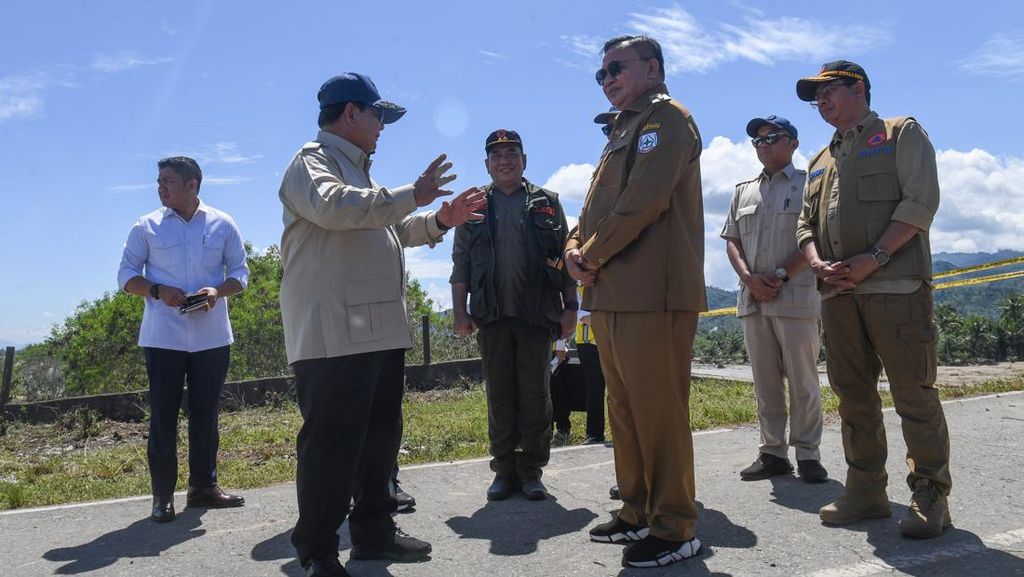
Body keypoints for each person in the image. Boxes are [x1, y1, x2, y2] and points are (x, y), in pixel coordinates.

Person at [278, 72, 486, 577]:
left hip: (376, 330)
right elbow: (336, 209)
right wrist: (413, 193)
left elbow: (390, 227)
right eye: (379, 116)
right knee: (332, 445)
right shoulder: (312, 163)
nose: (382, 127)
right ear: (351, 113)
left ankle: (373, 533)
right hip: (333, 335)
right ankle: (318, 551)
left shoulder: (361, 174)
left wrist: (440, 219)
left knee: (378, 441)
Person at [564, 35, 706, 568]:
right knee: (623, 409)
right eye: (600, 75)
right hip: (612, 292)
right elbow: (595, 205)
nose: (607, 80)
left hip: (654, 292)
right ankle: (636, 509)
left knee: (658, 411)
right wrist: (574, 245)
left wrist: (591, 254)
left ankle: (675, 527)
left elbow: (644, 200)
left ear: (652, 67)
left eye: (616, 69)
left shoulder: (667, 120)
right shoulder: (624, 127)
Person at [795, 60, 950, 538]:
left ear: (858, 88)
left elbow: (921, 203)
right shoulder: (820, 160)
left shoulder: (900, 132)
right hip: (838, 294)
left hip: (895, 287)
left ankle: (930, 494)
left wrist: (874, 257)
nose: (821, 102)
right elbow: (804, 224)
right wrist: (816, 262)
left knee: (912, 393)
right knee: (853, 396)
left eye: (828, 91)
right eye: (815, 97)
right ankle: (866, 491)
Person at [117, 156, 249, 523]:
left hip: (211, 337)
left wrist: (216, 291)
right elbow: (126, 276)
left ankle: (203, 488)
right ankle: (163, 497)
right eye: (159, 180)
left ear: (193, 185)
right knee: (163, 417)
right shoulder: (146, 226)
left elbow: (241, 273)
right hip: (164, 338)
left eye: (169, 181)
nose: (161, 187)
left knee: (206, 415)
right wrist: (157, 290)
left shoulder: (223, 223)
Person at [450, 129, 577, 502]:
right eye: (497, 155)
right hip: (491, 315)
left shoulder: (548, 203)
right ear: (487, 164)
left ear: (524, 159)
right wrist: (460, 310)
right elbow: (460, 263)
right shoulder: (473, 204)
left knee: (536, 393)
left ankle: (532, 469)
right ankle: (504, 469)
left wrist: (571, 307)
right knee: (500, 394)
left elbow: (565, 258)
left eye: (512, 153)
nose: (504, 160)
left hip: (536, 314)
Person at [721, 116, 827, 484]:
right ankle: (772, 453)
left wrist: (781, 275)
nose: (764, 144)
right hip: (754, 300)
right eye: (758, 140)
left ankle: (809, 454)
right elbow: (732, 240)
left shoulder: (809, 186)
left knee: (803, 381)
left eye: (772, 137)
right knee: (765, 384)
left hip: (796, 296)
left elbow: (818, 236)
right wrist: (749, 278)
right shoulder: (743, 191)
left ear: (793, 143)